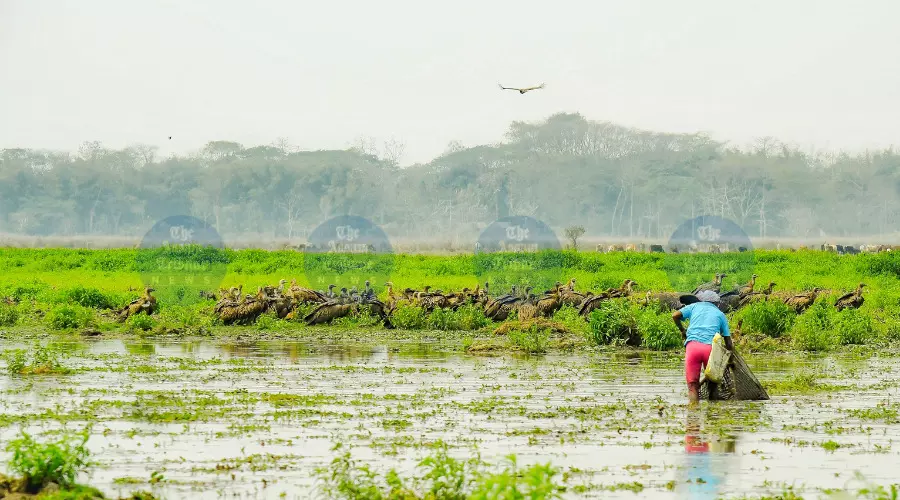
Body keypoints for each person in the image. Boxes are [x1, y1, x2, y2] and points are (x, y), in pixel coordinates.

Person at [672, 290, 733, 404]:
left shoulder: (694, 307)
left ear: (701, 300)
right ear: (716, 303)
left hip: (692, 348)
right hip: (710, 350)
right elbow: (729, 343)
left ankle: (693, 415)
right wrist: (730, 358)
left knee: (693, 386)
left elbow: (675, 315)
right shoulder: (720, 314)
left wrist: (682, 330)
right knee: (713, 385)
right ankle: (712, 415)